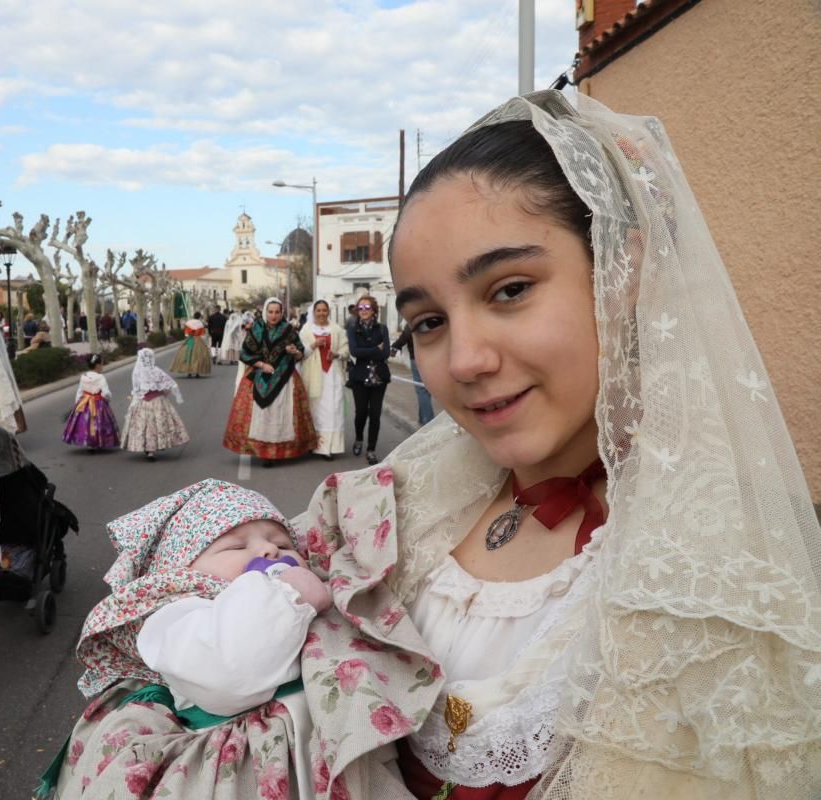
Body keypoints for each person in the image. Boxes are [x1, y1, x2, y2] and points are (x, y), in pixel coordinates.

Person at [297, 92, 821, 800]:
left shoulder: (733, 575)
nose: (464, 361)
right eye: (427, 322)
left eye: (509, 289)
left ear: (621, 271)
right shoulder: (403, 510)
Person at [38, 479, 331, 799]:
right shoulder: (177, 616)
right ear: (180, 571)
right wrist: (291, 596)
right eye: (235, 546)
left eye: (283, 543)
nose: (269, 549)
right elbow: (229, 669)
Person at [222, 297, 318, 466]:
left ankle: (282, 449)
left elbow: (300, 353)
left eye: (277, 312)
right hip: (259, 376)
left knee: (282, 413)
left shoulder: (288, 330)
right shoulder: (257, 328)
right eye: (271, 312)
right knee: (262, 414)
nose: (274, 316)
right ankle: (264, 453)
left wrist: (294, 351)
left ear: (282, 313)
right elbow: (245, 353)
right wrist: (262, 364)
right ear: (266, 312)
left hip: (285, 377)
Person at [120, 347, 190, 461]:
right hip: (158, 401)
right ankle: (155, 446)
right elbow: (170, 385)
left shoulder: (137, 372)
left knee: (144, 425)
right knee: (157, 425)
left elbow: (136, 389)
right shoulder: (156, 371)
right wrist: (162, 395)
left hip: (142, 402)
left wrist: (136, 399)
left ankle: (148, 449)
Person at [299, 299, 348, 460]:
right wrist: (313, 345)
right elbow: (301, 353)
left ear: (328, 311)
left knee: (333, 410)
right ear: (314, 312)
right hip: (313, 376)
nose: (321, 313)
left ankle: (329, 447)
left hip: (332, 375)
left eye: (324, 310)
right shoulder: (306, 330)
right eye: (318, 310)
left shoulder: (337, 329)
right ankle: (313, 445)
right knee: (316, 410)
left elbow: (345, 350)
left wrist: (336, 354)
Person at [345, 293, 390, 465]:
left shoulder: (382, 329)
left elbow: (386, 353)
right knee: (361, 412)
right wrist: (375, 348)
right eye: (360, 308)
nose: (363, 310)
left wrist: (371, 350)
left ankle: (371, 449)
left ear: (374, 310)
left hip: (379, 377)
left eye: (367, 307)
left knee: (376, 414)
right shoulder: (352, 329)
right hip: (360, 377)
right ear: (357, 310)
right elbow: (355, 352)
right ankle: (358, 439)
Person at [62, 353, 120, 450]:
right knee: (98, 422)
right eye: (101, 364)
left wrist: (77, 403)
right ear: (97, 365)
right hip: (98, 403)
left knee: (86, 422)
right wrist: (108, 398)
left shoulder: (83, 376)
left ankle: (89, 442)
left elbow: (80, 391)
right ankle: (98, 441)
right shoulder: (101, 377)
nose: (102, 366)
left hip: (85, 402)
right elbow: (105, 393)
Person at [390, 323, 435, 427]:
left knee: (421, 390)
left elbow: (404, 337)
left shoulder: (413, 322)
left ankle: (428, 421)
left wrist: (394, 347)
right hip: (431, 358)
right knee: (425, 389)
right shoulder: (430, 321)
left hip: (417, 358)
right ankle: (422, 417)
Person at [168, 312, 211, 378]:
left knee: (188, 354)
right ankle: (197, 372)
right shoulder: (200, 324)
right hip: (198, 340)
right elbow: (202, 334)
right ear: (199, 317)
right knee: (198, 356)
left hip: (190, 340)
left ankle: (189, 372)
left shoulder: (189, 323)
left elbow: (186, 334)